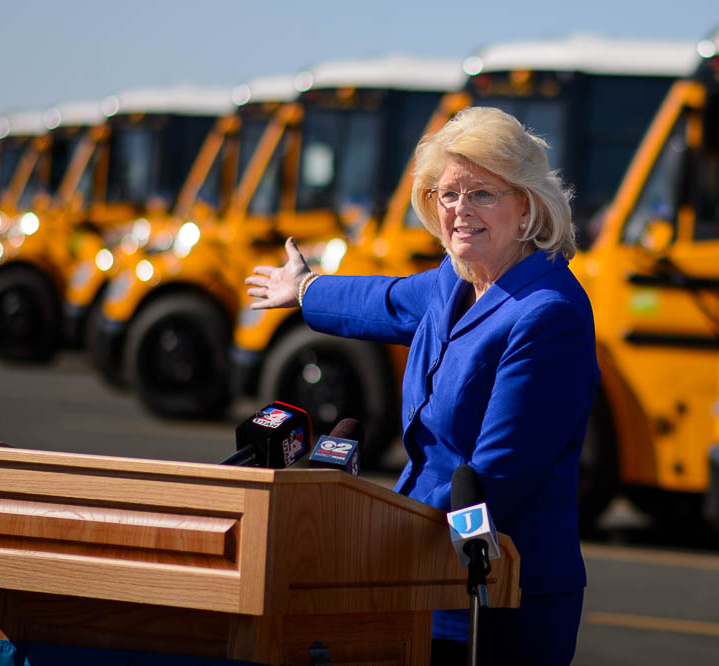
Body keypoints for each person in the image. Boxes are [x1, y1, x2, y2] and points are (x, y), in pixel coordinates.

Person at [245, 106, 599, 665]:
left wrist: (372, 534)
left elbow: (494, 481)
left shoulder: (545, 313)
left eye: (482, 193)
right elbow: (383, 302)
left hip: (497, 597)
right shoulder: (454, 282)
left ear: (526, 204)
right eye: (447, 193)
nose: (459, 210)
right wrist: (307, 288)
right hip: (418, 580)